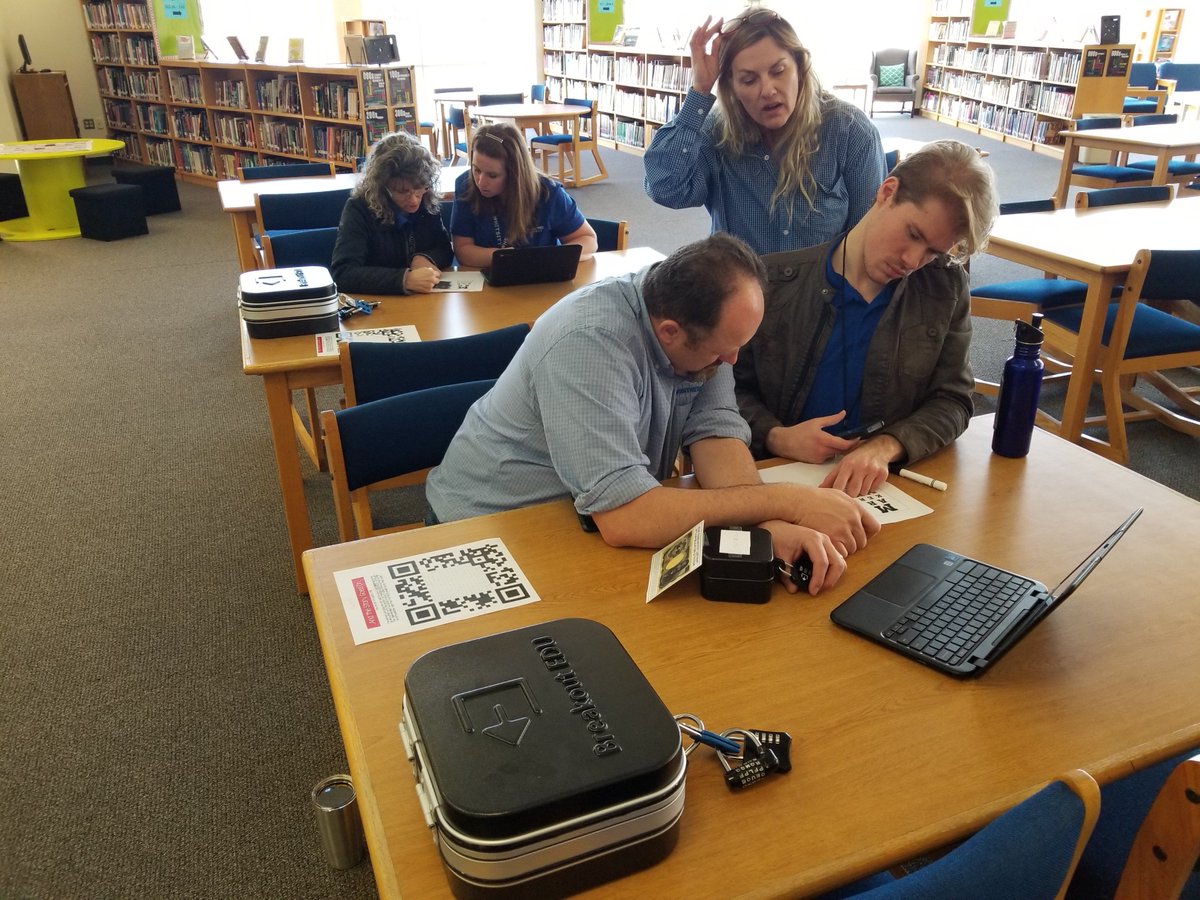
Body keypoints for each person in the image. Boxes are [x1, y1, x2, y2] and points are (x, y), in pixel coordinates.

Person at [426, 233, 881, 595]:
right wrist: (789, 501)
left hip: (580, 521)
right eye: (724, 352)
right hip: (487, 532)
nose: (734, 362)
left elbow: (717, 436)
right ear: (670, 331)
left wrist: (767, 529)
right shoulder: (590, 343)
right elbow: (627, 518)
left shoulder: (698, 316)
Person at [733, 140, 999, 498]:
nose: (912, 261)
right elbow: (723, 392)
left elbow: (953, 399)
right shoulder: (773, 283)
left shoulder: (944, 286)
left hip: (883, 484)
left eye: (934, 251)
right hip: (778, 476)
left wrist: (887, 445)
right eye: (913, 234)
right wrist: (776, 435)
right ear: (887, 192)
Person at [643, 8, 886, 255]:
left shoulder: (850, 130)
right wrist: (700, 92)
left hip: (822, 291)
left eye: (778, 71)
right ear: (732, 87)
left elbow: (869, 239)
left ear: (800, 68)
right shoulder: (717, 132)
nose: (768, 90)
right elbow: (666, 189)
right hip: (740, 288)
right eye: (749, 80)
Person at [451, 123, 597, 268]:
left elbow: (588, 239)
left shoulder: (548, 192)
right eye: (476, 170)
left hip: (542, 277)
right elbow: (463, 250)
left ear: (515, 174)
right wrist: (510, 258)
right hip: (487, 277)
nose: (481, 182)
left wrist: (548, 258)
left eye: (492, 175)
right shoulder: (466, 185)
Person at [330, 131, 452, 295]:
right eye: (402, 192)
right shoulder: (359, 209)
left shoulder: (426, 201)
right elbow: (343, 273)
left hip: (423, 303)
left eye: (419, 189)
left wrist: (423, 258)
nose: (414, 200)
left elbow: (444, 248)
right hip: (379, 306)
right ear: (383, 187)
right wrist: (404, 279)